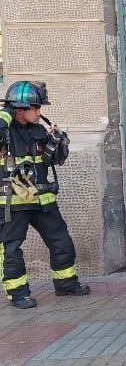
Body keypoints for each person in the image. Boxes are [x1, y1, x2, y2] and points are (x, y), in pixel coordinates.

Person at [0, 81, 91, 309]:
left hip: (42, 198)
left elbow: (54, 160)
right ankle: (18, 294)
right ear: (19, 109)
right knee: (11, 248)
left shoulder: (39, 130)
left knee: (61, 241)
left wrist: (57, 142)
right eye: (36, 108)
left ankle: (66, 283)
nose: (40, 113)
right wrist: (6, 113)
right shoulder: (5, 129)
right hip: (15, 201)